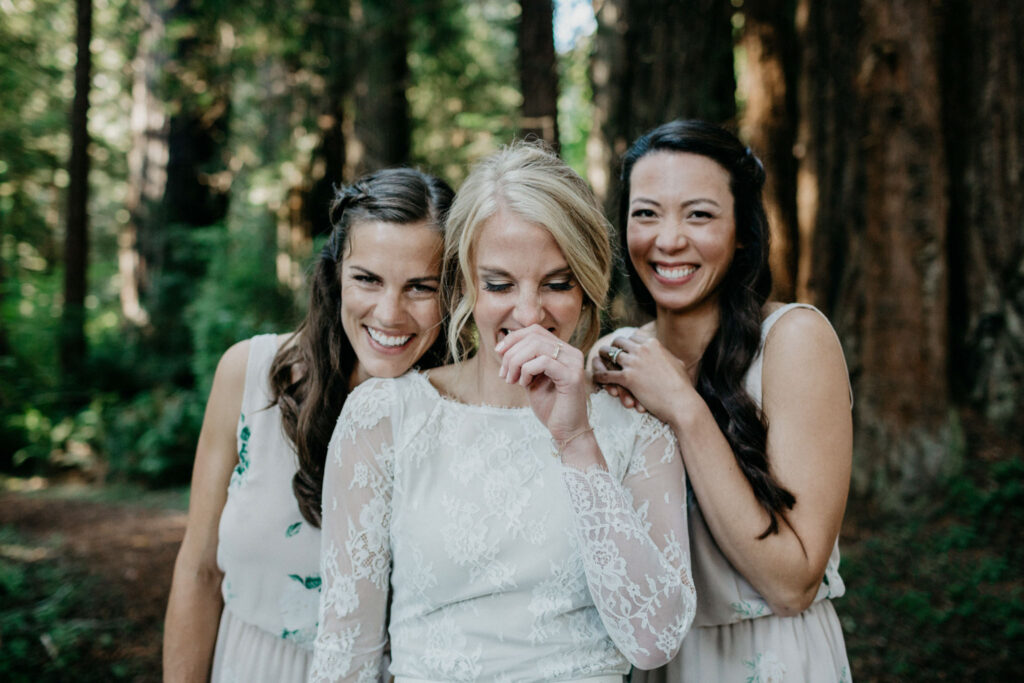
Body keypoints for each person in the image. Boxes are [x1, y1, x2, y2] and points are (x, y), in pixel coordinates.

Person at [310, 142, 696, 683]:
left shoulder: (638, 425)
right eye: (499, 284)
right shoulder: (385, 416)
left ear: (588, 285)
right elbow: (345, 649)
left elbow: (656, 642)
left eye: (557, 283)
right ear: (465, 281)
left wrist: (577, 442)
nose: (530, 312)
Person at [162, 168, 454, 683]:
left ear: (453, 292)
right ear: (335, 274)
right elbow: (199, 569)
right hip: (249, 665)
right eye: (367, 279)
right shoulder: (249, 375)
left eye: (420, 287)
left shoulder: (465, 411)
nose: (390, 313)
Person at [590, 119, 852, 682]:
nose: (668, 240)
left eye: (699, 215)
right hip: (655, 662)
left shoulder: (793, 341)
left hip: (773, 657)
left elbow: (792, 584)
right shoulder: (616, 358)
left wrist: (683, 407)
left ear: (742, 234)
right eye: (646, 213)